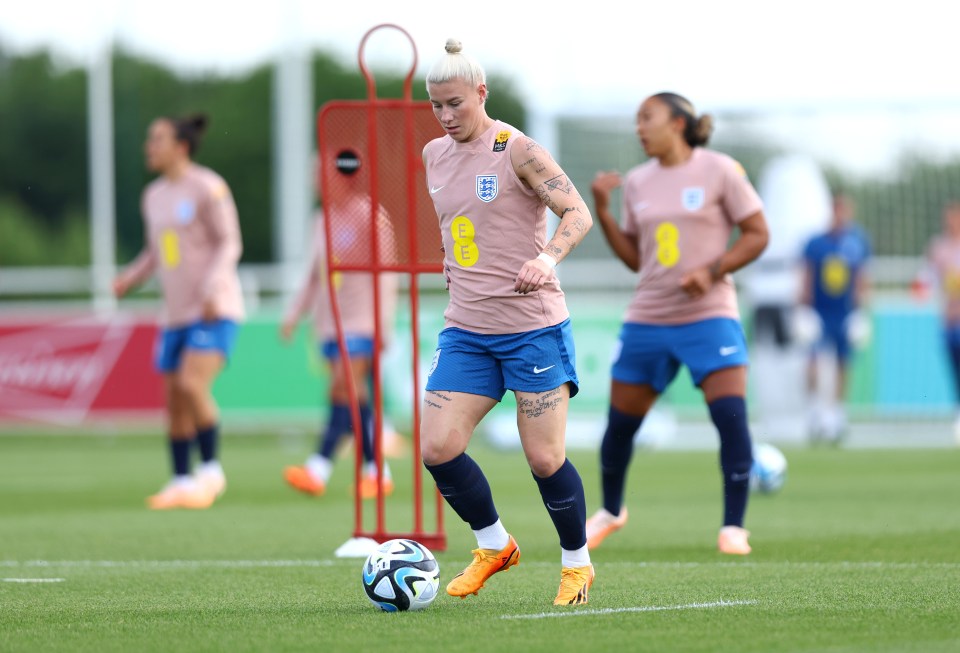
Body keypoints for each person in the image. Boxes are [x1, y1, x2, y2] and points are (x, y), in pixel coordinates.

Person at [421, 39, 595, 606]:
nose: (447, 117)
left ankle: (577, 563)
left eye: (456, 104)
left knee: (544, 458)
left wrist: (545, 259)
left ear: (481, 93)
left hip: (531, 327)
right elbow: (459, 229)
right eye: (437, 106)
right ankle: (494, 544)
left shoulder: (516, 149)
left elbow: (577, 211)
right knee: (437, 448)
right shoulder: (433, 156)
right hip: (467, 329)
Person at [588, 92, 769, 555]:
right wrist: (604, 212)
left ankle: (734, 526)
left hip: (709, 316)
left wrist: (712, 271)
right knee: (620, 426)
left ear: (679, 123)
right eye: (636, 120)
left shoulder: (720, 170)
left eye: (647, 117)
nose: (639, 127)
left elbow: (757, 234)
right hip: (648, 317)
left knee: (730, 417)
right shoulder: (637, 182)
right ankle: (611, 511)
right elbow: (636, 259)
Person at [113, 113, 244, 510]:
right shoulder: (152, 196)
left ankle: (211, 472)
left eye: (158, 139)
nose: (149, 147)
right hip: (175, 314)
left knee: (192, 385)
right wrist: (129, 278)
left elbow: (229, 242)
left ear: (181, 146)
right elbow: (156, 252)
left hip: (212, 308)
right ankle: (181, 481)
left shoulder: (208, 187)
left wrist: (211, 286)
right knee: (173, 401)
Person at [280, 154, 400, 499]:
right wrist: (295, 313)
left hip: (361, 321)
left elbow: (387, 274)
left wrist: (383, 324)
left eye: (322, 174)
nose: (316, 181)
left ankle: (323, 466)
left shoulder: (370, 215)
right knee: (346, 394)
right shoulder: (321, 219)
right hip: (331, 324)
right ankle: (371, 470)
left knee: (344, 388)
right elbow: (314, 275)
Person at [799, 192, 871, 443]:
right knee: (814, 361)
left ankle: (837, 414)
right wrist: (803, 309)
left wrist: (861, 312)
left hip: (844, 313)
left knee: (843, 363)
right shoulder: (816, 243)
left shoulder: (857, 242)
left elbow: (862, 279)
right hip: (820, 311)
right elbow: (806, 277)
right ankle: (814, 412)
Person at [917, 201, 960, 444]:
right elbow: (927, 278)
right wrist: (922, 290)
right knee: (954, 369)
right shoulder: (939, 247)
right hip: (949, 320)